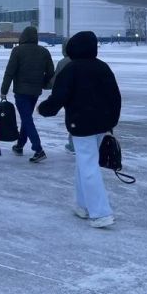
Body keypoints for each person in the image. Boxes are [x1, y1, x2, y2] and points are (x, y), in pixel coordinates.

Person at [38, 31, 121, 229]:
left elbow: (59, 96)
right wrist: (111, 121)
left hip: (81, 124)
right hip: (101, 124)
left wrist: (44, 109)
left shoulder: (71, 69)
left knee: (88, 165)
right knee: (84, 163)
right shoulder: (103, 68)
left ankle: (101, 213)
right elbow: (115, 97)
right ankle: (83, 205)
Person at [0, 26, 55, 163]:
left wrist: (3, 90)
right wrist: (43, 83)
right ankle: (19, 145)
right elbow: (50, 73)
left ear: (23, 37)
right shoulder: (44, 51)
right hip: (35, 91)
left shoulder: (17, 51)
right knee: (27, 118)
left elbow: (10, 72)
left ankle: (38, 149)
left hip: (21, 91)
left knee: (27, 119)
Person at [49, 39, 75, 153]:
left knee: (72, 119)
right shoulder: (86, 60)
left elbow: (55, 81)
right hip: (86, 95)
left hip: (68, 96)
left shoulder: (63, 62)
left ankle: (73, 143)